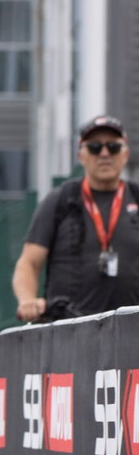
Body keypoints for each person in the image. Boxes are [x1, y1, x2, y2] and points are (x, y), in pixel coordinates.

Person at [13, 115, 139, 322]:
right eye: (95, 147)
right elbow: (29, 262)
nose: (105, 154)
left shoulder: (136, 197)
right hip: (68, 332)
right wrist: (28, 301)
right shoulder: (62, 200)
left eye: (113, 147)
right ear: (81, 155)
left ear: (125, 154)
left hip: (131, 331)